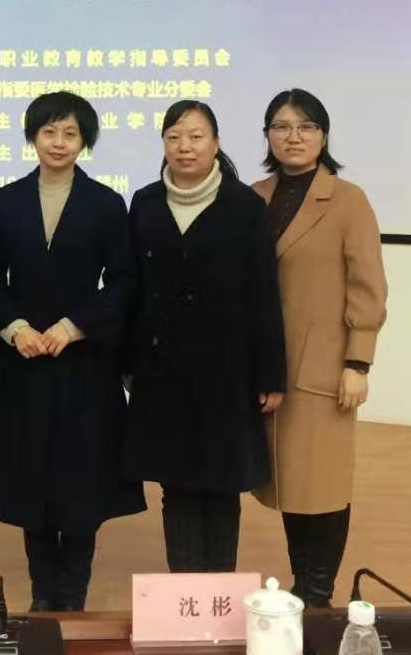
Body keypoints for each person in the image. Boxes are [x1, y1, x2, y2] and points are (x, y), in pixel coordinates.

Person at [0, 91, 145, 612]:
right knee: (31, 483)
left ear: (84, 140)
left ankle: (73, 598)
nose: (59, 142)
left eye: (70, 133)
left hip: (85, 365)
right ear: (33, 137)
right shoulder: (8, 200)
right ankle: (43, 598)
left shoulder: (105, 203)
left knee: (82, 485)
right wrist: (14, 327)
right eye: (49, 132)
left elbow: (124, 281)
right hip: (23, 364)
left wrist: (75, 326)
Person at [125, 101, 286, 573]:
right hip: (163, 370)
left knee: (221, 483)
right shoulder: (146, 202)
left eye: (196, 136)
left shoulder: (244, 207)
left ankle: (217, 590)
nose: (185, 147)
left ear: (216, 143)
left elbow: (264, 294)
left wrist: (270, 374)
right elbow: (132, 289)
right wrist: (128, 363)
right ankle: (184, 592)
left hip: (227, 370)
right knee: (175, 485)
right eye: (174, 137)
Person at [251, 88, 389, 607]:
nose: (294, 136)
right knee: (291, 481)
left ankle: (319, 592)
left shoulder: (348, 200)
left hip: (326, 367)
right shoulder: (254, 197)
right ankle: (301, 584)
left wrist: (358, 361)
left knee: (324, 484)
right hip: (270, 365)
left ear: (324, 135)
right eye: (282, 126)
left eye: (306, 126)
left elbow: (368, 286)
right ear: (267, 135)